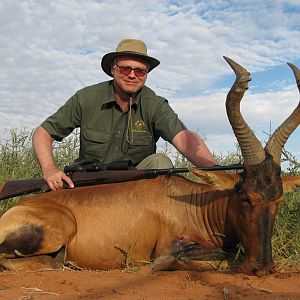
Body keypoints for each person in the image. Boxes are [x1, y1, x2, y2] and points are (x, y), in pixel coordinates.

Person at [32, 39, 218, 191]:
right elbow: (43, 133)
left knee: (160, 161)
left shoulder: (155, 105)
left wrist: (217, 173)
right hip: (86, 182)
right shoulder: (86, 98)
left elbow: (184, 139)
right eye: (125, 69)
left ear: (146, 74)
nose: (131, 75)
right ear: (113, 69)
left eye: (139, 71)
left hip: (134, 185)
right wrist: (50, 169)